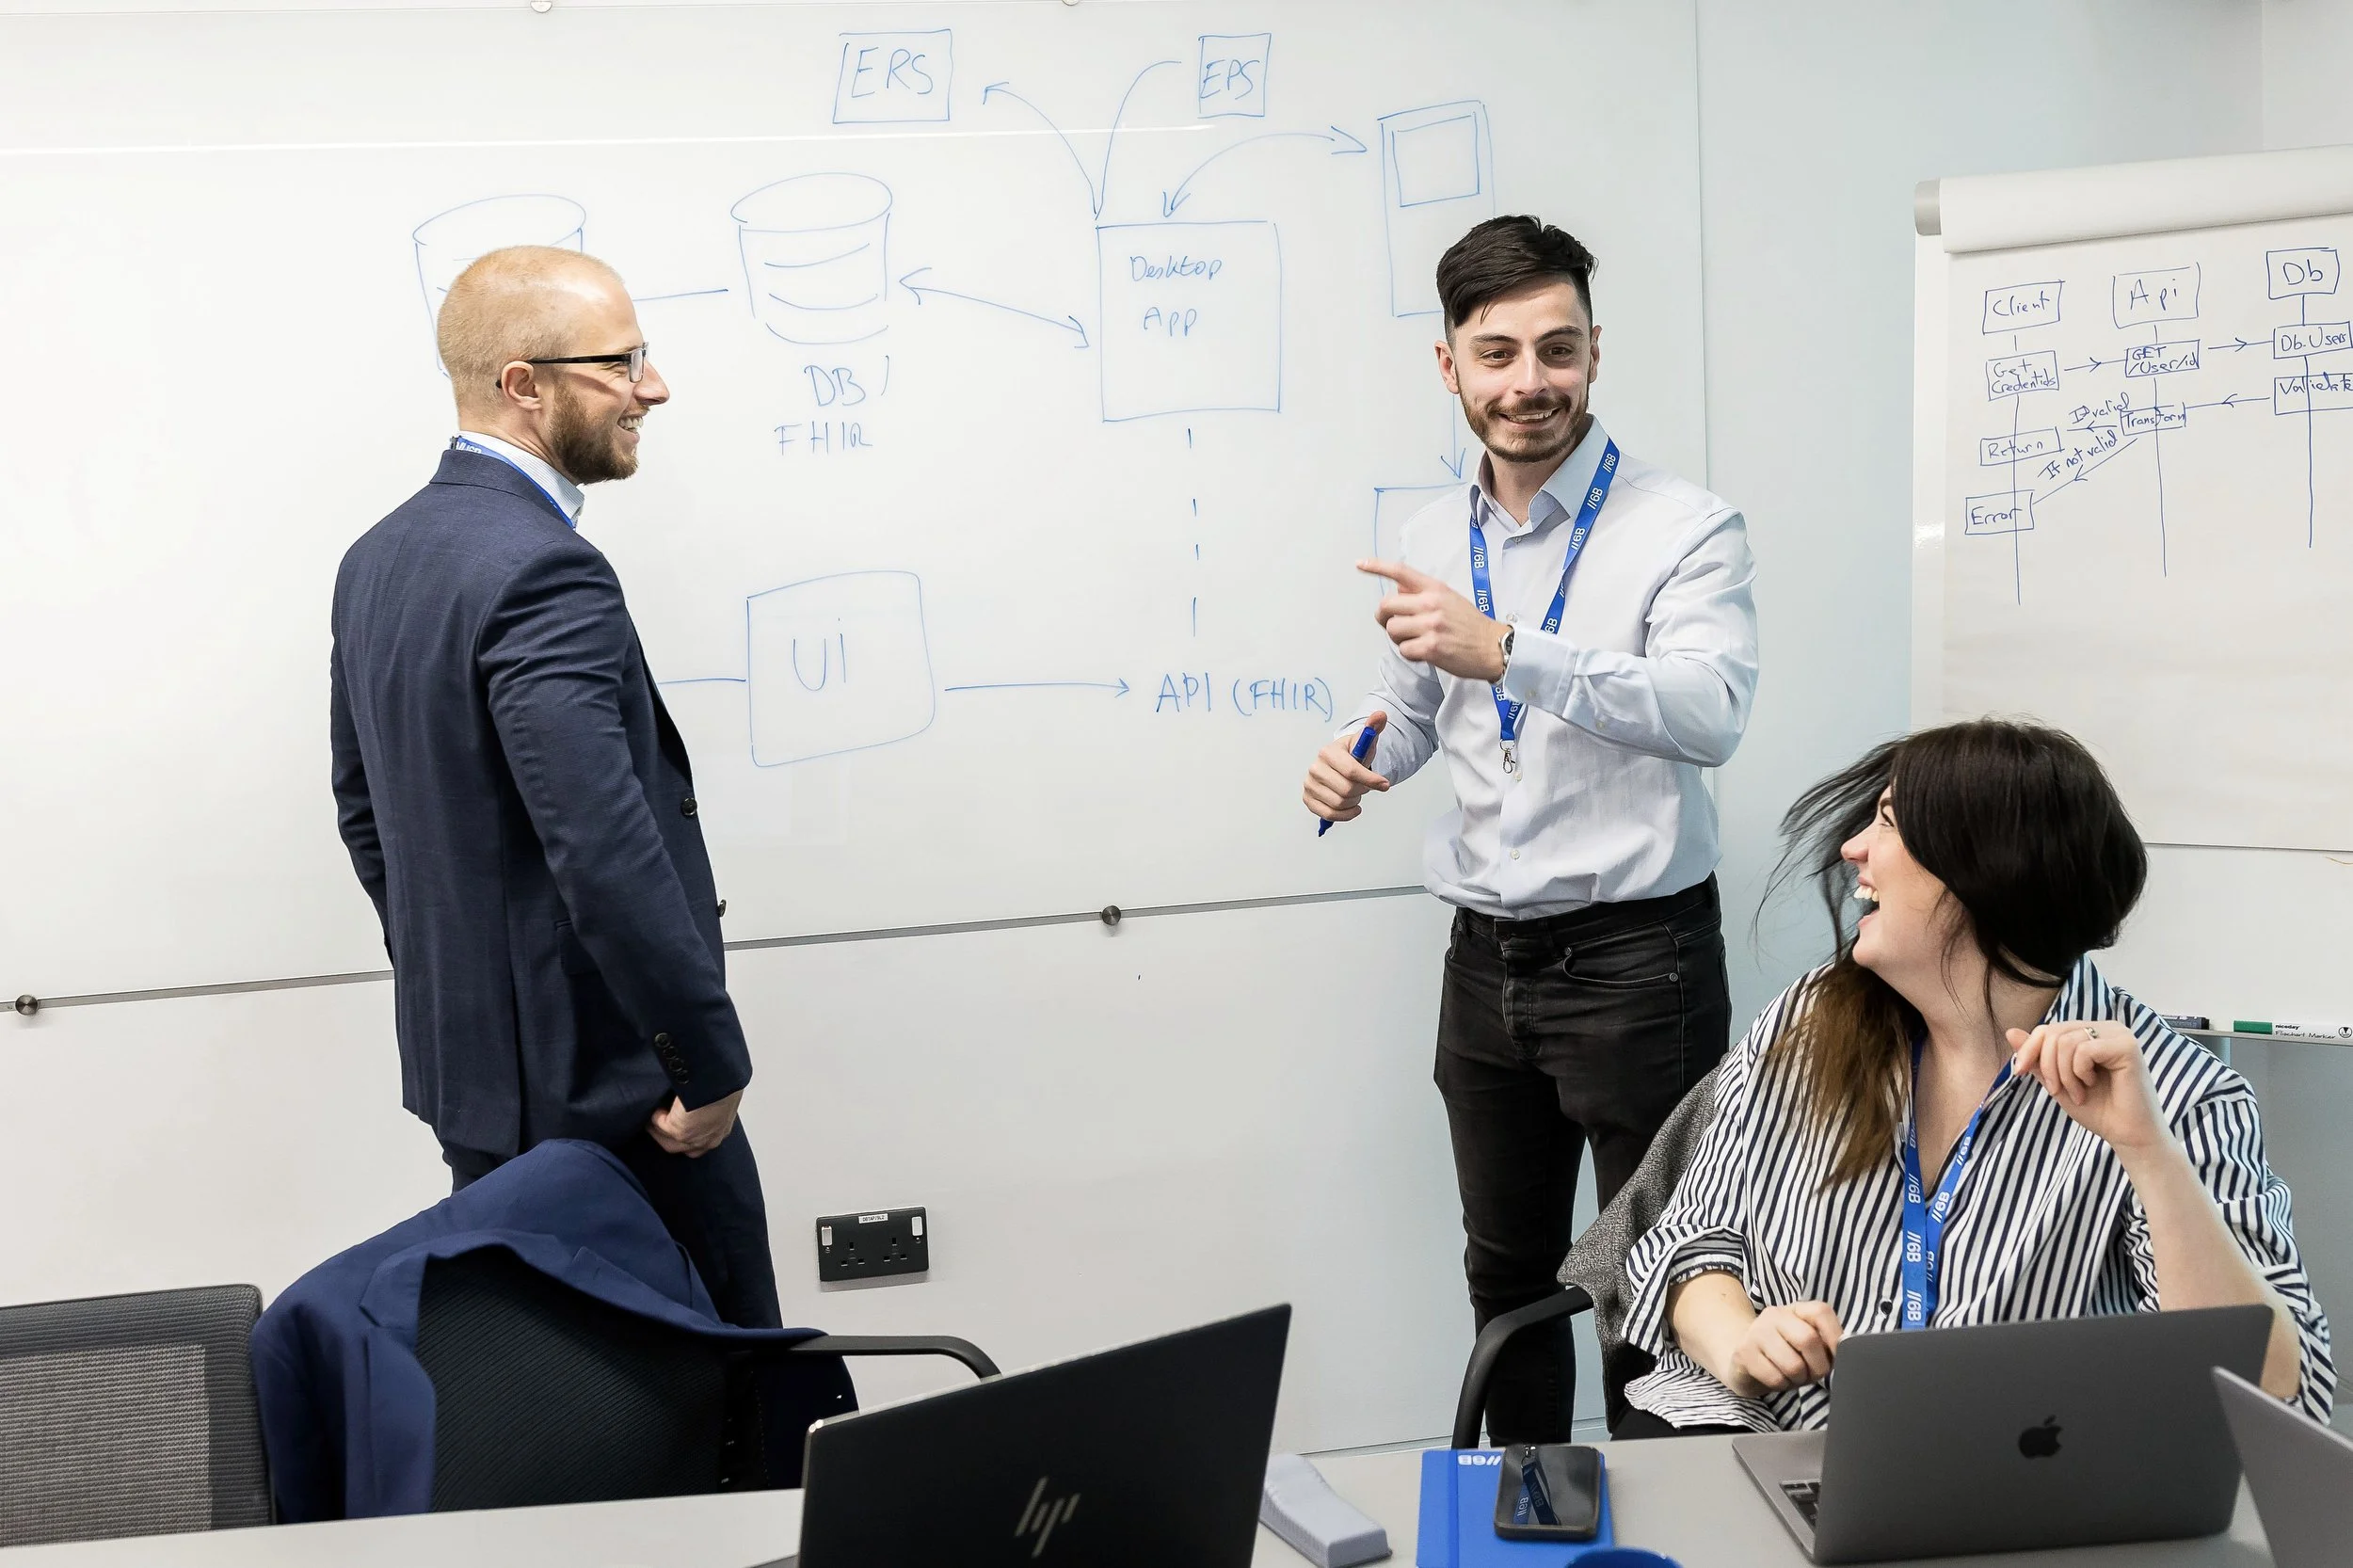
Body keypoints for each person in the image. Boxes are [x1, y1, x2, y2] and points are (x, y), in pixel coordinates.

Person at [1302, 216, 1760, 1440]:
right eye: (1497, 354)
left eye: (1556, 350)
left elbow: (1710, 712)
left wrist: (1509, 647)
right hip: (1486, 960)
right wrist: (1357, 760)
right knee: (1507, 1281)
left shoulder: (1683, 527)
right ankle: (1530, 1525)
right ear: (1449, 365)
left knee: (1662, 1287)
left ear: (1596, 355)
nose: (1529, 383)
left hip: (1637, 961)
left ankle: (1672, 1531)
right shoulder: (1431, 537)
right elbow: (1417, 708)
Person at [1619, 719, 2334, 1435]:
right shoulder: (1811, 1018)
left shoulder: (2176, 1096)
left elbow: (2273, 1397)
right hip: (1750, 1430)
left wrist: (2148, 1155)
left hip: (2000, 1471)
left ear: (1983, 872)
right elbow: (1690, 1240)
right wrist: (1741, 1346)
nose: (1854, 848)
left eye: (1889, 824)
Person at [329, 246, 781, 1327]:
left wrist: (473, 998)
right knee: (729, 1412)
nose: (652, 387)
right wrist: (705, 1062)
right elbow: (604, 846)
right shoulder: (543, 569)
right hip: (618, 1106)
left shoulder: (380, 556)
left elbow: (363, 814)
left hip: (479, 1091)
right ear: (523, 383)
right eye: (619, 363)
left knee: (560, 1418)